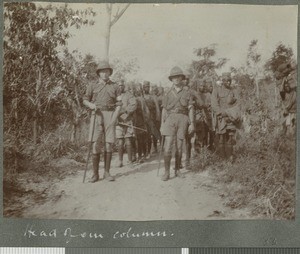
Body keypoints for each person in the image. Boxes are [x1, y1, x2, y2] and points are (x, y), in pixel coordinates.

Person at [83, 60, 122, 183]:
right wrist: (91, 105)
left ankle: (107, 172)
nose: (104, 74)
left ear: (110, 72)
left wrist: (115, 117)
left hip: (110, 114)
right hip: (97, 114)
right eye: (102, 71)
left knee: (109, 143)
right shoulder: (92, 85)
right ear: (98, 73)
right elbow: (84, 99)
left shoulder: (115, 86)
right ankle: (95, 174)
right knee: (95, 143)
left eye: (107, 71)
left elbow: (119, 104)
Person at [160, 67, 195, 181]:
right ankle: (166, 172)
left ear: (181, 78)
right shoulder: (167, 92)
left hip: (183, 118)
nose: (176, 79)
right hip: (170, 118)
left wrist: (192, 124)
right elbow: (164, 110)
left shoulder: (187, 92)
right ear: (171, 79)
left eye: (178, 76)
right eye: (173, 77)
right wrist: (162, 124)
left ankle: (177, 169)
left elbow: (190, 108)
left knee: (179, 146)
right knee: (168, 146)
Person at [211, 72, 240, 161]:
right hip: (221, 118)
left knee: (230, 138)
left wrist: (230, 113)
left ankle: (229, 157)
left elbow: (238, 104)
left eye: (229, 80)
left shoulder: (234, 91)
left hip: (231, 117)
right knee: (221, 137)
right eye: (225, 80)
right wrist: (221, 113)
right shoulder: (216, 90)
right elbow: (214, 103)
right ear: (222, 81)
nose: (228, 82)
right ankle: (222, 158)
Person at [116, 81, 137, 167]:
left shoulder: (129, 95)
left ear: (124, 86)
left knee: (128, 141)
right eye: (118, 86)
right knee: (120, 141)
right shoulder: (114, 96)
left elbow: (134, 105)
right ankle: (120, 161)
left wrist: (125, 111)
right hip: (118, 121)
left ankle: (130, 161)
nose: (120, 87)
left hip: (127, 120)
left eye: (122, 85)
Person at [278, 62, 297, 137]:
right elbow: (281, 89)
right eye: (286, 86)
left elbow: (295, 84)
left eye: (288, 86)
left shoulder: (294, 92)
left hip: (294, 111)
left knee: (293, 126)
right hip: (287, 112)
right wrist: (283, 80)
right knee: (286, 125)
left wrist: (290, 76)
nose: (287, 87)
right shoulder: (284, 94)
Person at [143, 81, 161, 157]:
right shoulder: (142, 96)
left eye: (147, 87)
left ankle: (155, 148)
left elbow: (157, 107)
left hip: (152, 117)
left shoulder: (153, 96)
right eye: (145, 87)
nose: (146, 88)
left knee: (154, 133)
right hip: (144, 118)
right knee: (146, 134)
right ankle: (148, 151)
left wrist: (158, 117)